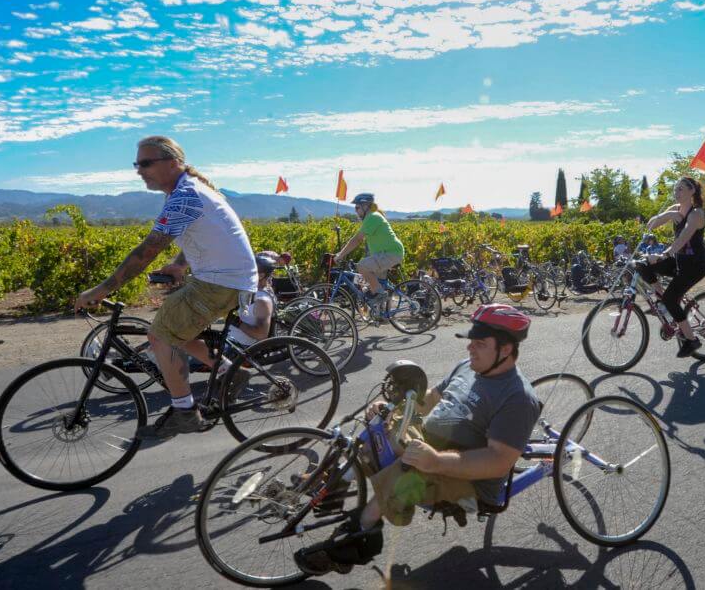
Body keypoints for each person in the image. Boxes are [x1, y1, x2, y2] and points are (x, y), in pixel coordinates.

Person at [293, 304, 541, 576]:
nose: (470, 348)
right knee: (375, 433)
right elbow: (430, 399)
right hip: (428, 446)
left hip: (468, 482)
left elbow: (498, 463)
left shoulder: (517, 398)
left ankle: (347, 546)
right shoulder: (468, 367)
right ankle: (331, 485)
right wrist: (392, 411)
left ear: (505, 350)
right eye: (471, 341)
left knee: (402, 476)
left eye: (480, 344)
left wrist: (435, 461)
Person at [75, 135, 257, 439]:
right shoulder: (187, 191)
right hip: (221, 278)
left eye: (146, 163)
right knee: (175, 329)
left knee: (160, 335)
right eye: (136, 164)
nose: (139, 170)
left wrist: (100, 290)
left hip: (221, 281)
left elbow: (146, 252)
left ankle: (185, 412)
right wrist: (179, 265)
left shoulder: (184, 195)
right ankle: (229, 370)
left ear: (172, 162)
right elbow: (204, 236)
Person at [637, 176, 705, 357]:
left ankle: (692, 340)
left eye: (680, 189)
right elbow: (651, 224)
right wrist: (668, 215)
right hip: (679, 261)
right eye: (675, 189)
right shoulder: (675, 209)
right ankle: (663, 301)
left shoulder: (697, 213)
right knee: (643, 265)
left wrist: (664, 254)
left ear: (692, 191)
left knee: (672, 298)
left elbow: (683, 238)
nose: (676, 192)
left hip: (695, 265)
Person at [333, 193, 405, 312]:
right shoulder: (371, 217)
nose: (355, 211)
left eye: (357, 207)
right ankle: (381, 314)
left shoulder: (372, 217)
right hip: (384, 254)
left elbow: (357, 239)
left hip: (391, 253)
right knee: (370, 285)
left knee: (362, 266)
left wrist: (340, 255)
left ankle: (380, 294)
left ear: (365, 206)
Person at [230, 252, 279, 347]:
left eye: (250, 271)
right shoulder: (257, 290)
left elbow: (261, 335)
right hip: (230, 339)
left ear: (261, 276)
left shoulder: (262, 301)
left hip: (239, 346)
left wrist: (236, 321)